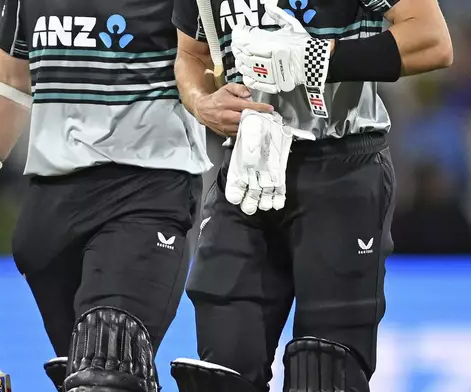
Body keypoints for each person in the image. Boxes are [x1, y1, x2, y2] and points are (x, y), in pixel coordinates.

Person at [0, 0, 269, 390]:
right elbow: (10, 79)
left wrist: (217, 100)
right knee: (91, 376)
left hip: (145, 198)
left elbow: (209, 64)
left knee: (108, 375)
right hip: (48, 216)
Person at [169, 0, 452, 391]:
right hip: (249, 171)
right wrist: (202, 103)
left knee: (324, 372)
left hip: (342, 163)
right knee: (223, 377)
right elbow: (191, 53)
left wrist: (315, 58)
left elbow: (433, 40)